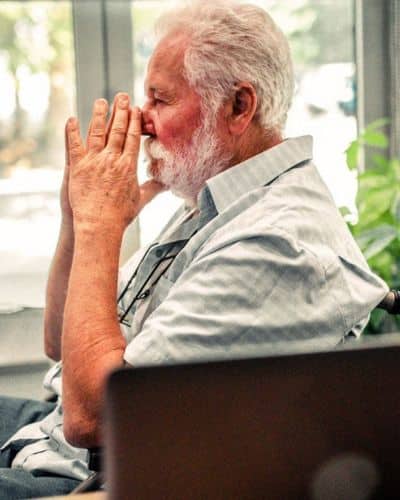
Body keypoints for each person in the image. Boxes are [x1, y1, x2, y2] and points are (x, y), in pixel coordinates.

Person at [0, 0, 388, 497]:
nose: (141, 121)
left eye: (160, 100)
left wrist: (103, 226)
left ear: (238, 107)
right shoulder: (218, 202)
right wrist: (78, 220)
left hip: (86, 476)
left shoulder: (278, 243)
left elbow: (94, 417)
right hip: (49, 437)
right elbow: (61, 344)